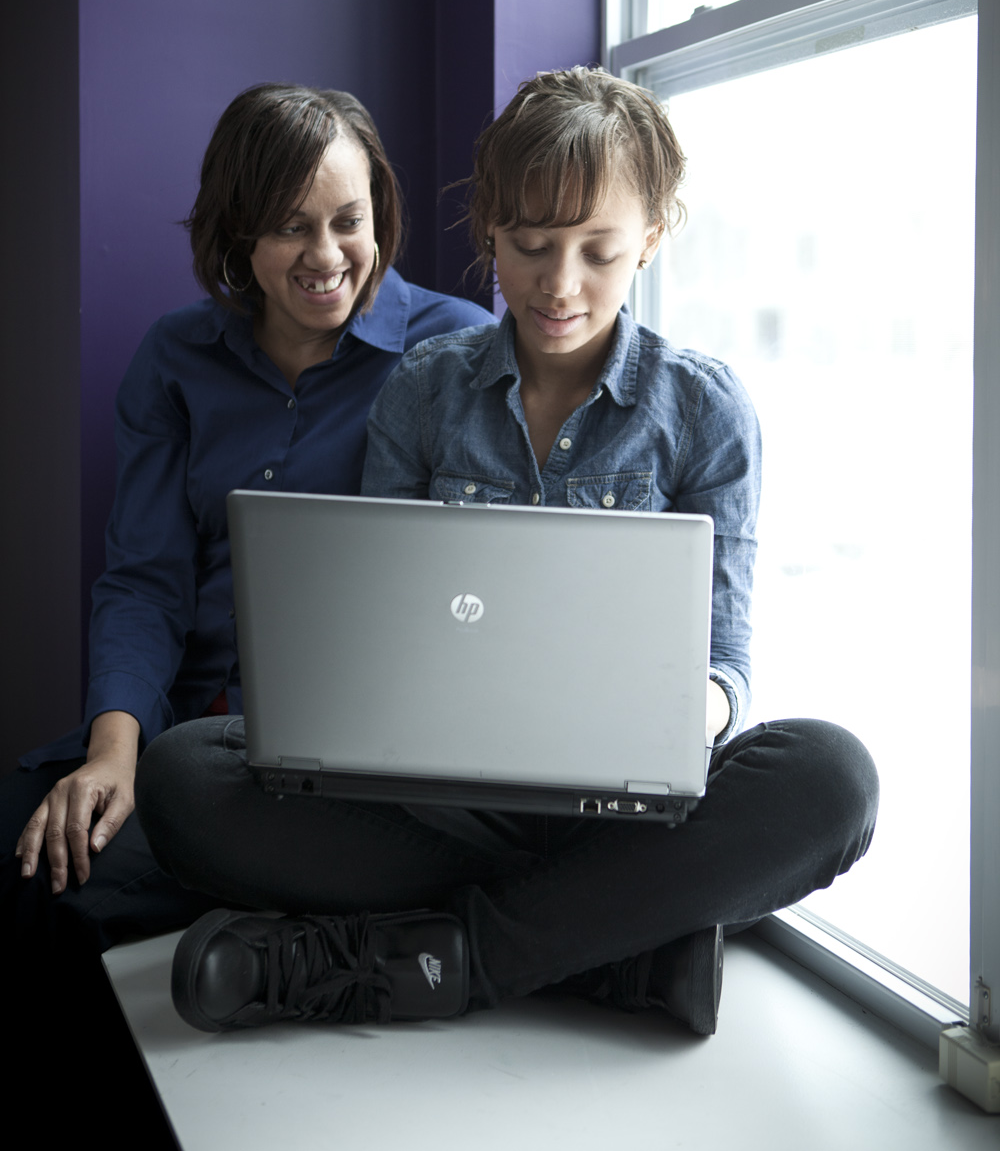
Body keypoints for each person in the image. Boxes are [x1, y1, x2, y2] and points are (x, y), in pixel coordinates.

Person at [136, 67, 879, 1038]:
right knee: (185, 777)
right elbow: (379, 622)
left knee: (830, 778)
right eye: (528, 247)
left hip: (624, 806)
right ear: (487, 228)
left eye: (598, 252)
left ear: (653, 237)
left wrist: (679, 715)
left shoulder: (705, 411)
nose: (558, 285)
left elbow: (725, 660)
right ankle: (620, 944)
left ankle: (454, 960)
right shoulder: (425, 386)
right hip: (441, 802)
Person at [1, 82, 492, 974]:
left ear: (380, 208)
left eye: (349, 219)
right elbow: (144, 582)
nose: (326, 255)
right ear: (237, 234)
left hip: (346, 755)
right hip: (178, 731)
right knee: (27, 849)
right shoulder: (175, 359)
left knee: (100, 906)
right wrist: (112, 757)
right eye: (289, 227)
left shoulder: (454, 349)